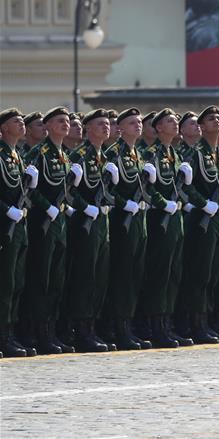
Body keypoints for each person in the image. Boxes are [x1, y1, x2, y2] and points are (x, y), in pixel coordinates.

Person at [22, 107, 79, 354]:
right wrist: (48, 208)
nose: (66, 124)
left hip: (59, 223)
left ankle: (51, 330)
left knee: (57, 278)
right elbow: (28, 189)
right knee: (41, 279)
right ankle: (36, 332)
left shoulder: (63, 155)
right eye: (60, 121)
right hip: (42, 224)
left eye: (67, 120)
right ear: (48, 126)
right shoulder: (40, 153)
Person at [179, 106, 219, 344]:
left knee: (214, 274)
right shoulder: (196, 154)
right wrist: (203, 204)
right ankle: (195, 323)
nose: (218, 122)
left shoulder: (218, 155)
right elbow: (186, 186)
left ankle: (209, 320)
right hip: (203, 220)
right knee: (200, 274)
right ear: (201, 126)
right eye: (211, 119)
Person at [139, 109, 192, 348]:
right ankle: (155, 325)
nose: (175, 123)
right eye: (170, 121)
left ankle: (167, 323)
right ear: (158, 128)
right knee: (160, 273)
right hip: (159, 219)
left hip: (175, 218)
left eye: (175, 120)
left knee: (175, 272)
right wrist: (163, 203)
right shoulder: (150, 154)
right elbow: (145, 188)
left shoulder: (175, 154)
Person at [66, 109, 116, 353]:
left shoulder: (104, 157)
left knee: (100, 276)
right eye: (100, 124)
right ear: (87, 129)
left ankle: (92, 326)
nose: (106, 127)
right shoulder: (80, 156)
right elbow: (67, 191)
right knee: (86, 277)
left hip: (102, 223)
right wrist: (85, 208)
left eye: (107, 124)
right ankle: (81, 330)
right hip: (86, 225)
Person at [104, 108, 151, 351]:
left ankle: (128, 325)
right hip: (122, 222)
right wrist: (125, 204)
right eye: (132, 123)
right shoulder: (113, 154)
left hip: (138, 221)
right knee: (123, 276)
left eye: (140, 122)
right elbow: (107, 192)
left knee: (135, 274)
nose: (138, 125)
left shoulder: (139, 155)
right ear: (120, 129)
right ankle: (119, 328)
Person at [0, 108, 38, 357]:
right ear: (3, 129)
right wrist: (6, 211)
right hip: (5, 227)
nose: (21, 123)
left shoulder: (18, 156)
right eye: (16, 121)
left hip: (19, 227)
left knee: (17, 283)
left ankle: (11, 333)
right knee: (5, 283)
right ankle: (4, 336)